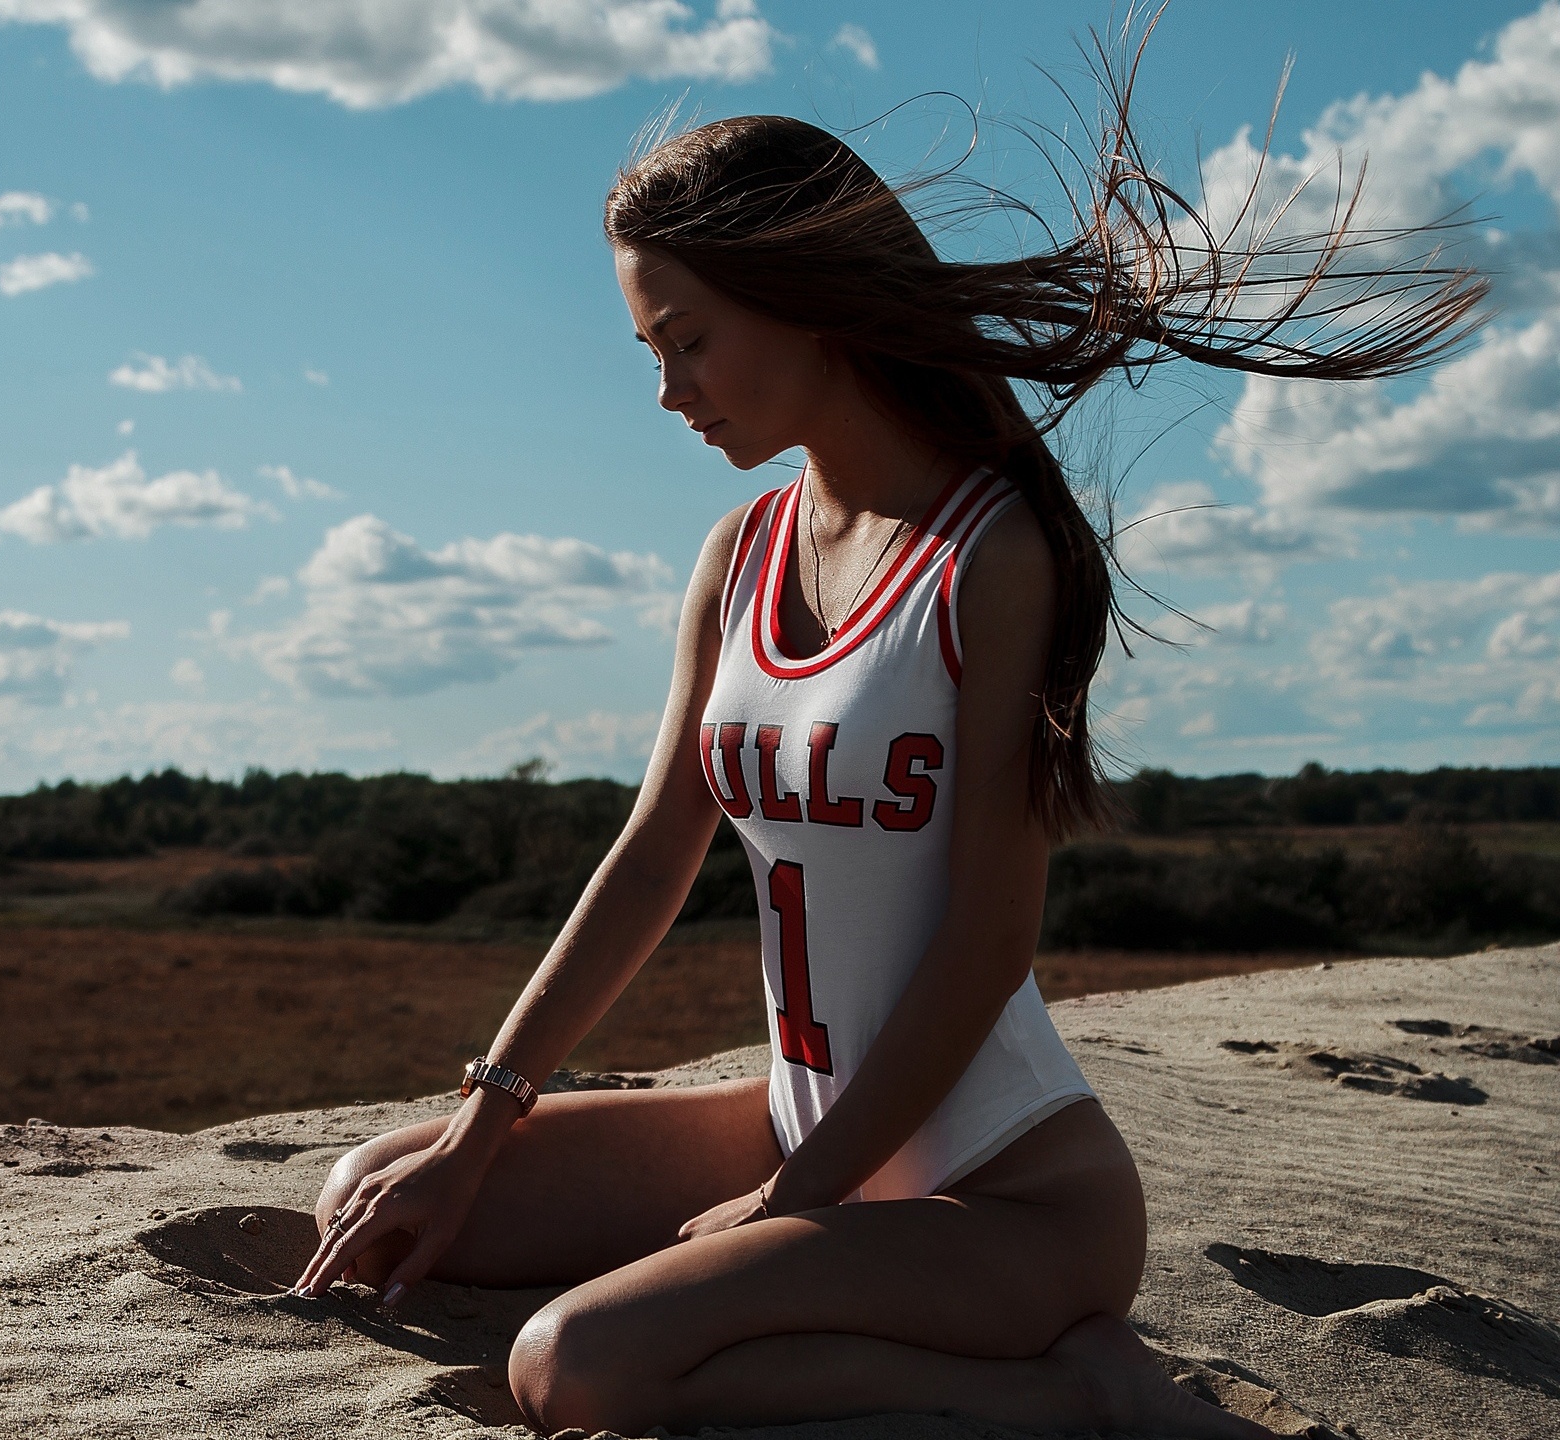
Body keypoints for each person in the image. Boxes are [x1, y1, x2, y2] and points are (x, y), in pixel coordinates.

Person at [285, 33, 1487, 1440]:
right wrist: (485, 1123)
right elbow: (651, 854)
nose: (670, 390)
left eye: (690, 339)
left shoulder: (994, 553)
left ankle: (1077, 1390)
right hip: (804, 1124)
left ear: (807, 302)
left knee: (575, 1369)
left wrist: (786, 1211)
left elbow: (988, 942)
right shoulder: (741, 553)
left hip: (1004, 1192)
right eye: (650, 349)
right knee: (374, 1195)